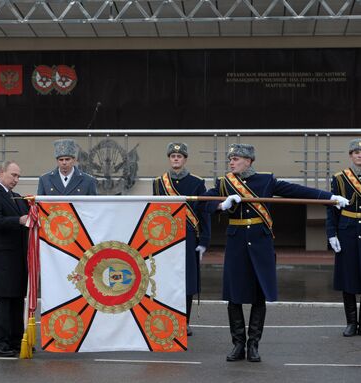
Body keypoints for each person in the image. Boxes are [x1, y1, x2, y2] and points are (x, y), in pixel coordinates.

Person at [202, 143, 348, 363]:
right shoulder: (224, 183)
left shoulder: (265, 180)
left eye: (236, 158)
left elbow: (296, 191)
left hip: (260, 243)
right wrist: (222, 205)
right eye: (230, 159)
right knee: (235, 295)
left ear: (249, 161)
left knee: (259, 294)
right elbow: (202, 204)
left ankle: (253, 345)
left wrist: (330, 197)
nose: (231, 162)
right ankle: (238, 344)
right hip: (236, 244)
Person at [153, 142, 211, 336]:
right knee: (166, 280)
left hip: (188, 238)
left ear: (185, 159)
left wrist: (204, 240)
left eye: (179, 156)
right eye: (172, 156)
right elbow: (155, 213)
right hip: (166, 240)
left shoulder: (197, 182)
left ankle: (184, 322)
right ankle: (168, 319)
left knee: (187, 281)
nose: (176, 159)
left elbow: (204, 213)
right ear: (169, 159)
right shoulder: (159, 182)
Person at [0, 160, 29, 357]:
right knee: (5, 300)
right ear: (1, 172)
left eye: (18, 176)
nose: (16, 180)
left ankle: (16, 341)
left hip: (18, 257)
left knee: (17, 300)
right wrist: (18, 220)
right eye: (13, 175)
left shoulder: (16, 197)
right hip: (3, 257)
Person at [327, 138, 361, 337]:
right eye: (356, 152)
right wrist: (331, 233)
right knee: (348, 277)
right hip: (347, 230)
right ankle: (351, 322)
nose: (359, 155)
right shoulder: (340, 178)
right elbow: (332, 209)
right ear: (350, 156)